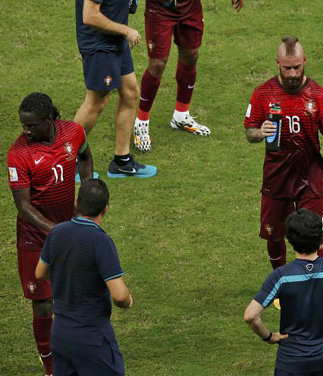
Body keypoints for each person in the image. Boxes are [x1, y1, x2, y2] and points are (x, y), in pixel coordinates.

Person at [7, 92, 93, 376]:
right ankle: (51, 369)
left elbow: (85, 157)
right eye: (23, 126)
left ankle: (78, 352)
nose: (26, 131)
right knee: (43, 305)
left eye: (31, 125)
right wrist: (59, 231)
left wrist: (86, 194)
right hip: (35, 238)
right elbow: (24, 207)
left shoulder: (73, 132)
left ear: (49, 120)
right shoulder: (18, 155)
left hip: (68, 228)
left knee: (73, 296)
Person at [244, 36, 323, 270]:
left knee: (316, 235)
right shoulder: (262, 94)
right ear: (277, 63)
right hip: (276, 176)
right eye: (287, 68)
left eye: (297, 67)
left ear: (305, 61)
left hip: (311, 176)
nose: (293, 73)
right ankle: (280, 284)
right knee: (274, 235)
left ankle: (320, 282)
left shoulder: (320, 96)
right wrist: (260, 132)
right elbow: (249, 131)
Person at [244, 209, 323, 376]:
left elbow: (250, 316)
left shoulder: (281, 276)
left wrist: (270, 337)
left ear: (290, 240)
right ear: (320, 239)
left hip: (291, 362)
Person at [35, 179, 133, 375]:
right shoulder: (101, 242)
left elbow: (40, 273)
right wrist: (128, 302)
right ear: (105, 209)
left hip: (61, 333)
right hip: (91, 337)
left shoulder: (57, 233)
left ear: (76, 203)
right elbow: (120, 295)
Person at [132, 0, 244, 151]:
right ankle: (141, 122)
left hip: (190, 7)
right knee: (158, 63)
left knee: (190, 55)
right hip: (160, 8)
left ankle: (181, 115)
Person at [75, 0, 157, 178]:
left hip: (115, 41)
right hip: (99, 45)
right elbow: (90, 16)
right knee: (97, 101)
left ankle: (122, 162)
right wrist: (126, 30)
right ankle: (64, 160)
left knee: (130, 93)